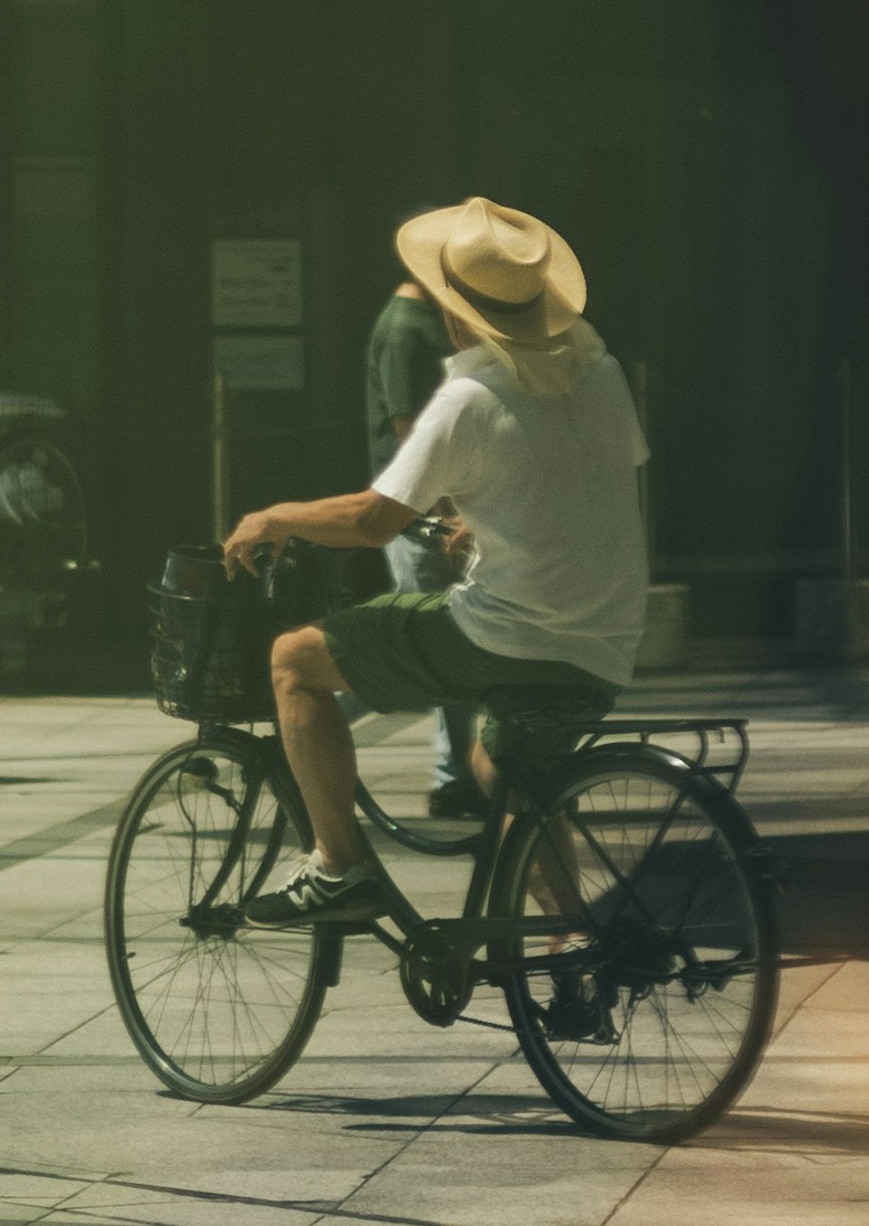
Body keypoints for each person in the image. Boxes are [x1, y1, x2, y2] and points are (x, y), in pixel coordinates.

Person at [226, 195, 647, 930]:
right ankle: (574, 945)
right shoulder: (601, 372)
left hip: (505, 637)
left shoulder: (468, 397)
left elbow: (372, 520)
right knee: (503, 772)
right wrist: (487, 533)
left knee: (295, 659)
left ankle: (336, 866)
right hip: (606, 640)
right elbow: (580, 484)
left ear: (455, 312)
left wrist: (276, 518)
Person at [359, 259, 473, 831]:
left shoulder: (419, 320)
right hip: (420, 515)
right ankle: (454, 779)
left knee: (434, 643)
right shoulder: (407, 327)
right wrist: (446, 505)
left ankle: (457, 776)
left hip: (427, 509)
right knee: (424, 643)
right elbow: (410, 428)